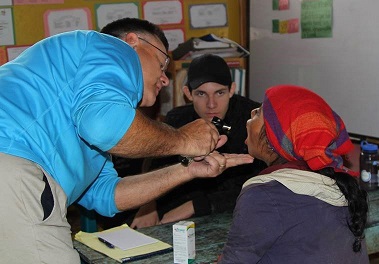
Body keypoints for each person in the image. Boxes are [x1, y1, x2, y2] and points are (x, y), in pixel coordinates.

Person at [0, 18, 254, 264]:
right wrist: (183, 139)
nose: (165, 79)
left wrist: (187, 170)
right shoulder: (110, 48)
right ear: (133, 42)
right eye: (162, 63)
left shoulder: (87, 110)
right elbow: (103, 125)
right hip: (12, 168)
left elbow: (108, 196)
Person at [218, 85, 369, 263]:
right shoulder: (341, 183)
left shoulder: (264, 196)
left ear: (273, 139)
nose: (251, 113)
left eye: (258, 113)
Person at [130, 54, 267, 229]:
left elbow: (264, 183)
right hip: (181, 208)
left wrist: (196, 206)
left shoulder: (253, 119)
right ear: (188, 93)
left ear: (232, 89)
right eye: (201, 94)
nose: (211, 104)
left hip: (237, 207)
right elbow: (153, 166)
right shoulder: (177, 119)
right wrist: (148, 205)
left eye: (220, 93)